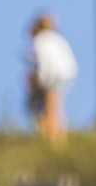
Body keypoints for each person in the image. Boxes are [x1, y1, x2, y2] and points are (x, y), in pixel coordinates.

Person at [25, 13, 78, 146]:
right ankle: (58, 139)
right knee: (56, 108)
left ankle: (54, 141)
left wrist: (41, 82)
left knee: (51, 109)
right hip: (67, 74)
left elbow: (45, 66)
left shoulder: (40, 41)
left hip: (54, 76)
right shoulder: (56, 38)